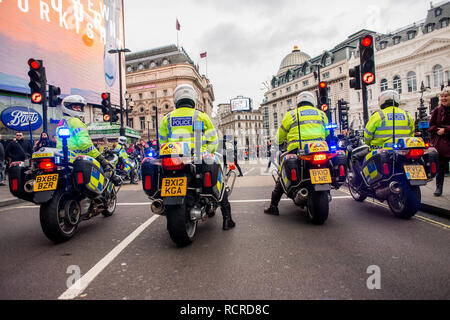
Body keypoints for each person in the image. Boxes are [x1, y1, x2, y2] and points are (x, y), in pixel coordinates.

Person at [159, 83, 235, 230]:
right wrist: (206, 151)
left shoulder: (167, 119)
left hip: (173, 159)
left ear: (176, 100)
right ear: (193, 98)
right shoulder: (201, 116)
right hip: (197, 158)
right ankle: (227, 219)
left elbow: (162, 142)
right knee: (219, 184)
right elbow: (213, 140)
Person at [264, 91, 330, 215]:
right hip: (320, 149)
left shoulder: (292, 115)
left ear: (298, 102)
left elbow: (280, 135)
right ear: (312, 101)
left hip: (298, 150)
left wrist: (277, 144)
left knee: (282, 175)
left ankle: (274, 206)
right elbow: (326, 133)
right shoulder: (321, 114)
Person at [351, 90, 415, 183]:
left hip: (379, 149)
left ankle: (362, 181)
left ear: (382, 101)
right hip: (402, 149)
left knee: (355, 156)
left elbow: (367, 136)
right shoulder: (406, 114)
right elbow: (411, 134)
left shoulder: (378, 115)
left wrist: (369, 143)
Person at [55, 95, 121, 186]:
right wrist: (101, 159)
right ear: (67, 107)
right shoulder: (76, 121)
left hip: (64, 159)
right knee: (100, 176)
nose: (78, 110)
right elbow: (85, 144)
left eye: (80, 107)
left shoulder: (61, 122)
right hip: (77, 159)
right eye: (75, 107)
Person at [428, 89, 450, 196]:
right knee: (440, 167)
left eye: (446, 96)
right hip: (441, 143)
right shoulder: (437, 110)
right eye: (442, 96)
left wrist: (445, 130)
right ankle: (439, 187)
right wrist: (436, 130)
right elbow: (431, 125)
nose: (444, 98)